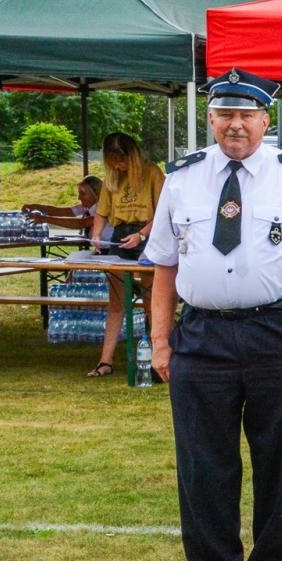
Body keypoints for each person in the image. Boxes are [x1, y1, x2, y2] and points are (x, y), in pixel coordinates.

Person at [145, 68, 282, 561]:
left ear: (266, 119)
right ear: (210, 120)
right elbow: (163, 267)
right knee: (203, 458)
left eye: (247, 115)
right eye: (226, 115)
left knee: (279, 456)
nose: (236, 125)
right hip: (202, 335)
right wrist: (160, 343)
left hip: (278, 333)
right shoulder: (182, 178)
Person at [88, 134, 165, 378]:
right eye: (113, 164)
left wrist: (142, 235)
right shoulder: (112, 178)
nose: (117, 168)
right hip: (121, 236)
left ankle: (157, 360)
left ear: (130, 157)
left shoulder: (152, 172)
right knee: (116, 303)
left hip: (148, 235)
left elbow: (164, 211)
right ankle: (105, 361)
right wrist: (97, 234)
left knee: (152, 301)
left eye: (120, 163)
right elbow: (101, 212)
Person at [22, 175, 103, 230]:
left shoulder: (105, 208)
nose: (79, 198)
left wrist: (44, 219)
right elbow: (63, 211)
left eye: (83, 194)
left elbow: (81, 223)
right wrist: (36, 207)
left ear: (97, 193)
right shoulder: (89, 206)